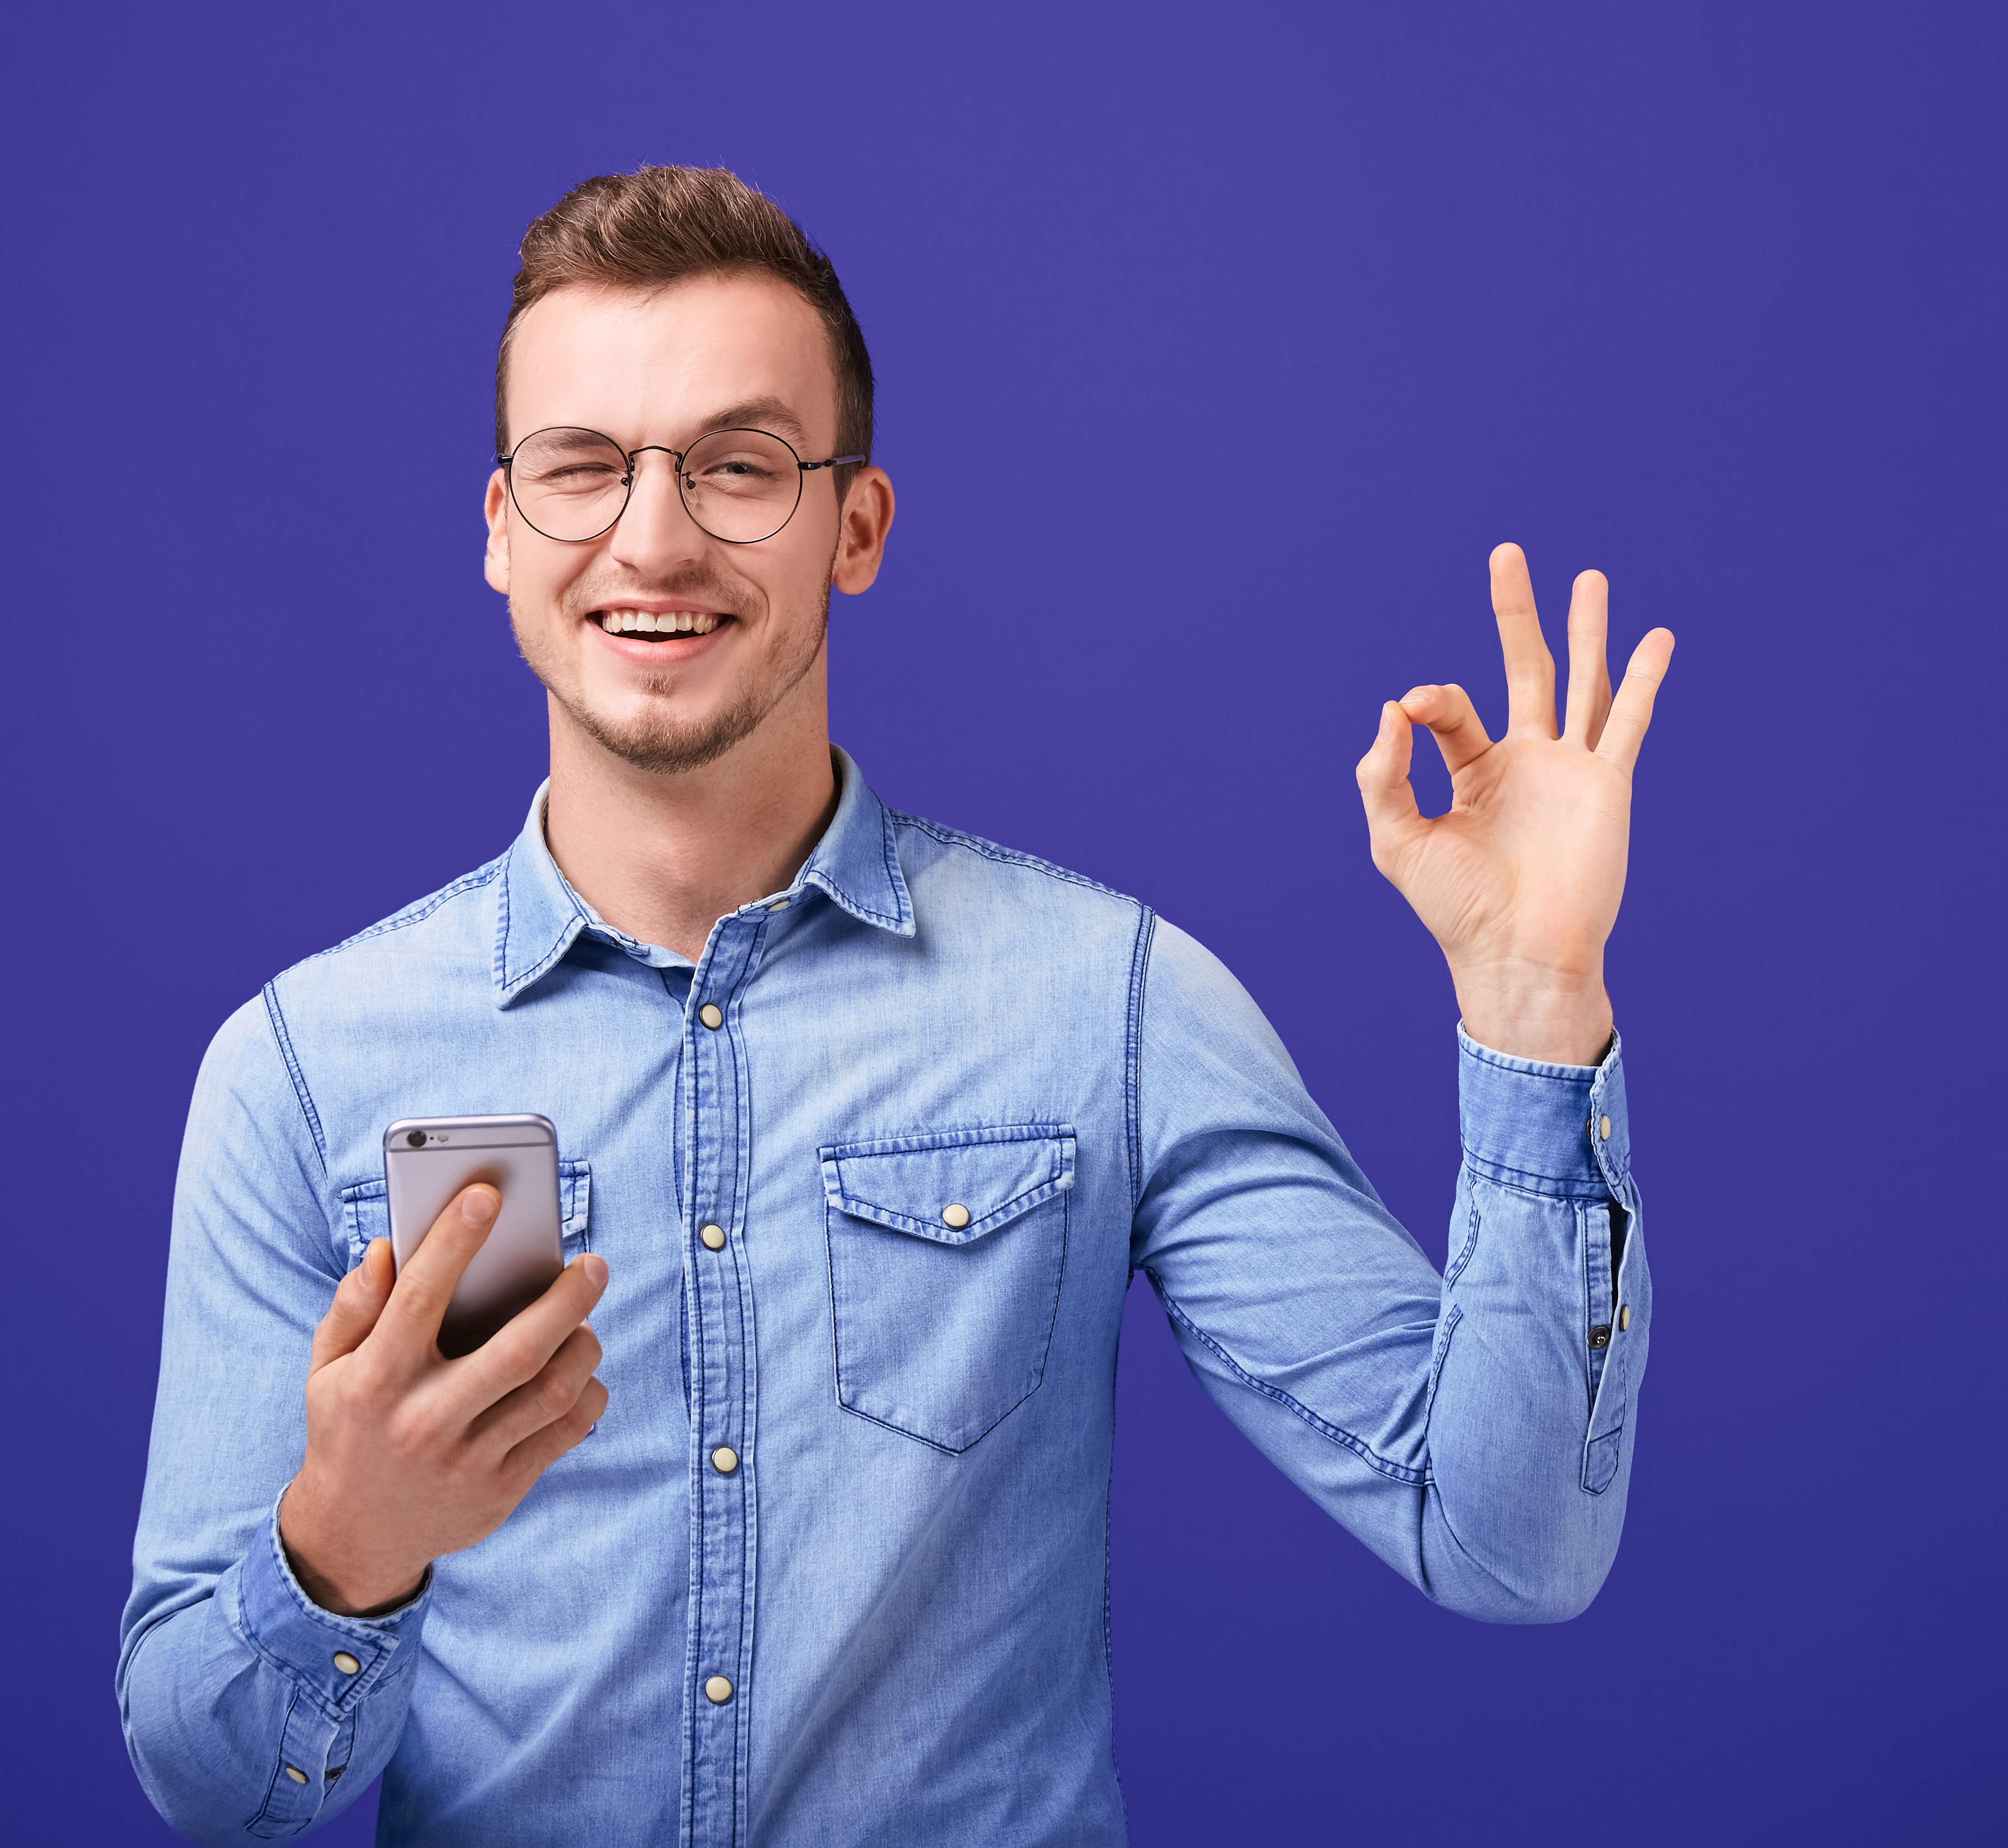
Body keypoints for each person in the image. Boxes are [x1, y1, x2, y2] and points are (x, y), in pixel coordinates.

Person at [117, 166, 1671, 1846]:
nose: (653, 536)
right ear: (502, 530)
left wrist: (1534, 1004)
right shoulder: (302, 1065)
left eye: (738, 465)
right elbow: (214, 1791)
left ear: (854, 526)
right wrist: (342, 1548)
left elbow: (1512, 1538)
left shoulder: (1108, 1005)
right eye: (582, 469)